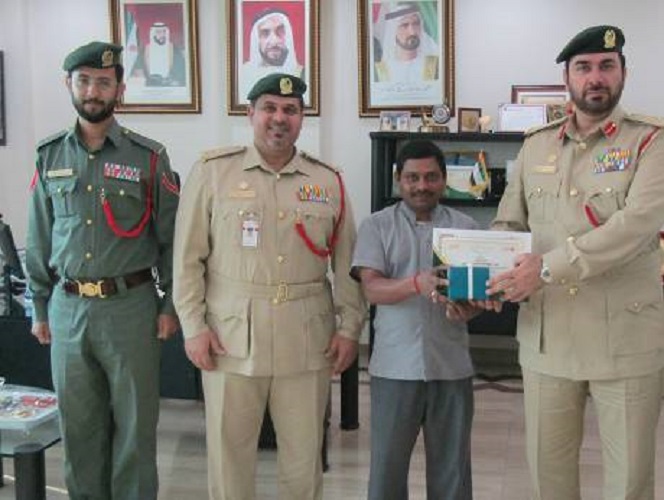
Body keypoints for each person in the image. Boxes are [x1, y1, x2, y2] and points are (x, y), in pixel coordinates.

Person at [487, 25, 664, 500]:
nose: (596, 77)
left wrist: (543, 269)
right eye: (583, 67)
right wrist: (486, 274)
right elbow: (509, 224)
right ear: (567, 78)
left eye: (607, 66)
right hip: (549, 339)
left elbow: (636, 226)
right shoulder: (535, 145)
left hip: (625, 341)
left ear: (624, 72)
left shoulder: (651, 141)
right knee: (550, 478)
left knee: (630, 483)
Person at [173, 73, 366, 500]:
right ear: (251, 114)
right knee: (229, 458)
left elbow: (347, 263)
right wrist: (192, 326)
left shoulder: (327, 181)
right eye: (270, 108)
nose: (280, 118)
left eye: (291, 110)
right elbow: (187, 260)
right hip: (230, 336)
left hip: (306, 337)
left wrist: (350, 328)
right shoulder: (212, 172)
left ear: (302, 118)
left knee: (302, 459)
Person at [25, 41, 180, 499]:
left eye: (104, 82)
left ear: (120, 90)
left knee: (134, 428)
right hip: (68, 309)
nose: (93, 91)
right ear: (69, 85)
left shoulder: (148, 158)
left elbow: (173, 239)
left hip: (129, 308)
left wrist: (170, 305)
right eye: (85, 80)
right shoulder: (49, 155)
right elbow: (39, 237)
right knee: (80, 428)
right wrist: (38, 307)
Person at [351, 139, 482, 500]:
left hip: (451, 367)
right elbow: (372, 289)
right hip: (395, 368)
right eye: (412, 178)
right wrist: (416, 284)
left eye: (430, 177)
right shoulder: (376, 226)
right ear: (398, 180)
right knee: (387, 472)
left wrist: (468, 308)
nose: (421, 186)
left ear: (443, 180)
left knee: (453, 473)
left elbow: (475, 298)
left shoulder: (466, 226)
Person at [240, 9, 304, 100]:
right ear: (257, 39)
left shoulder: (301, 73)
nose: (274, 41)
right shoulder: (243, 73)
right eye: (265, 33)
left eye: (280, 31)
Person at [374, 2, 439, 83]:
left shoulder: (434, 66)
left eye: (416, 24)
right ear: (393, 31)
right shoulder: (382, 71)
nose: (412, 32)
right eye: (404, 25)